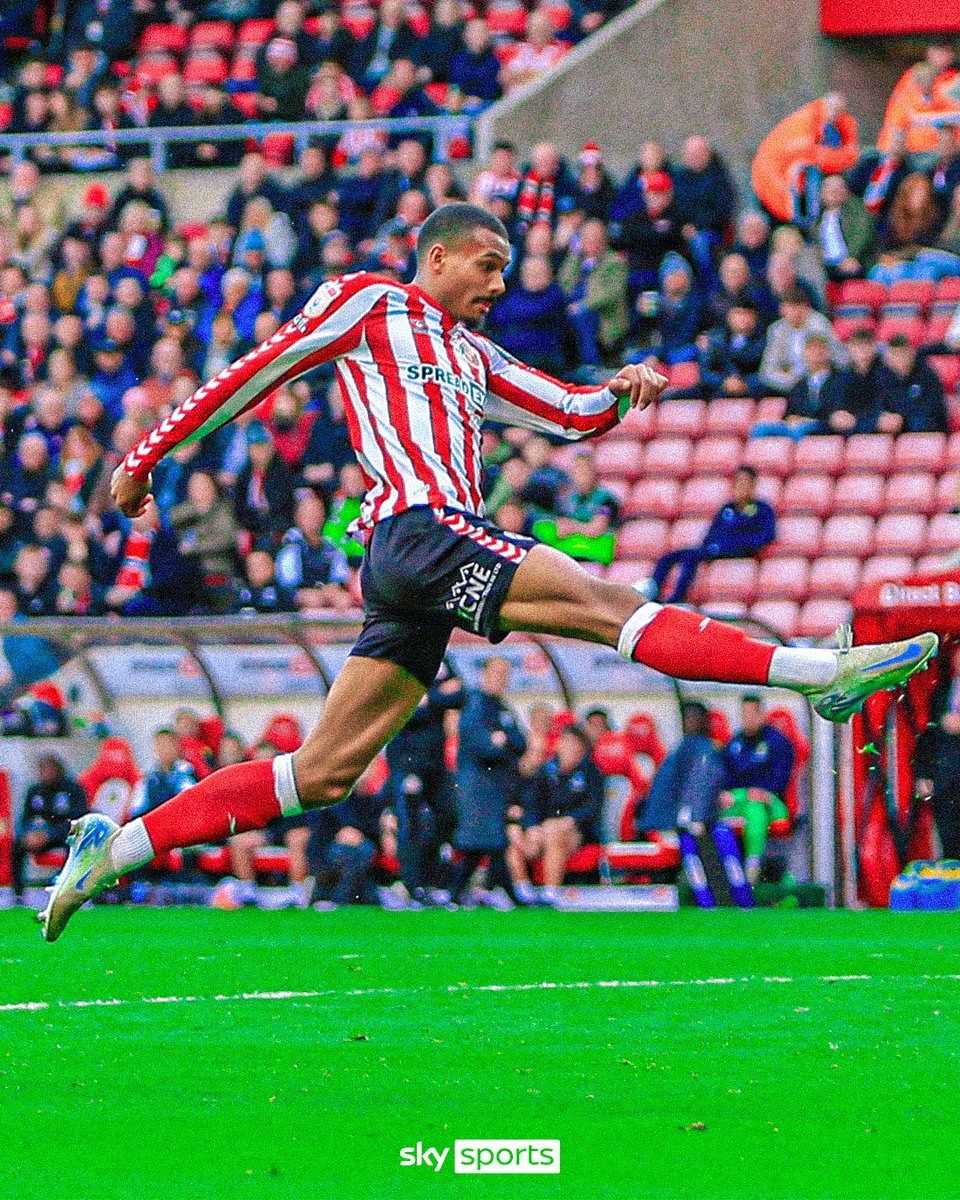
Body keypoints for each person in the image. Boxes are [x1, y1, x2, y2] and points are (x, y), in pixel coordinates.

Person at [42, 202, 938, 941]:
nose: (501, 286)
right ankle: (821, 672)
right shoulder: (366, 303)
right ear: (438, 257)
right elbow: (259, 369)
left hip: (419, 566)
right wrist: (148, 455)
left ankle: (110, 849)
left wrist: (619, 392)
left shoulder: (475, 355)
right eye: (489, 266)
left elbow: (568, 413)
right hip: (420, 532)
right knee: (606, 602)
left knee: (321, 773)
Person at [385, 660, 463, 906]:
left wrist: (427, 699)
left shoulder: (440, 657)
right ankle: (412, 885)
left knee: (448, 815)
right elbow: (397, 708)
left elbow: (460, 696)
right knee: (411, 822)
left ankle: (429, 877)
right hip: (408, 761)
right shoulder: (397, 658)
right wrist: (438, 697)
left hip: (435, 761)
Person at [450, 656, 526, 909]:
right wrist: (504, 744)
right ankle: (505, 895)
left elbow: (520, 741)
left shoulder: (501, 706)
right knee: (487, 842)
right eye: (497, 674)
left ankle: (457, 894)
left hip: (495, 787)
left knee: (485, 844)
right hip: (477, 787)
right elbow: (482, 746)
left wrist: (503, 740)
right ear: (484, 675)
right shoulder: (475, 703)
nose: (501, 680)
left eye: (505, 675)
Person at [640, 466, 776, 604]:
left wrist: (737, 546)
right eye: (738, 482)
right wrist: (712, 545)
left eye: (745, 482)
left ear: (753, 485)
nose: (741, 486)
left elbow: (766, 536)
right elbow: (712, 532)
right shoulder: (727, 508)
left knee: (691, 558)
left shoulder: (762, 510)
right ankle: (653, 592)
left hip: (738, 552)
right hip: (714, 549)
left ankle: (677, 598)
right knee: (669, 557)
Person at [508, 723, 604, 905]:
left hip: (576, 833)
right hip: (543, 829)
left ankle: (550, 892)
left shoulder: (591, 773)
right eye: (566, 742)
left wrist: (570, 820)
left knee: (555, 834)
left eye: (576, 744)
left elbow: (593, 808)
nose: (570, 748)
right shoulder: (546, 771)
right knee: (515, 840)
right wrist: (531, 827)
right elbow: (532, 804)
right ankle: (522, 892)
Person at [717, 695, 795, 884]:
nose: (748, 719)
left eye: (752, 714)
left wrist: (758, 793)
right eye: (744, 715)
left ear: (762, 715)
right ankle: (719, 873)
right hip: (737, 800)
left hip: (768, 802)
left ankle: (752, 867)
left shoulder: (777, 743)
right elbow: (723, 775)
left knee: (755, 810)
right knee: (712, 817)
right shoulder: (734, 743)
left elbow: (780, 781)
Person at [635, 701, 724, 836]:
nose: (689, 721)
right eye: (686, 717)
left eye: (694, 717)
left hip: (678, 826)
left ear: (704, 721)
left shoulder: (705, 749)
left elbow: (702, 783)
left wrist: (694, 816)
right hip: (660, 823)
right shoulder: (681, 747)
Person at [12, 755, 88, 902]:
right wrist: (28, 834)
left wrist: (50, 834)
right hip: (40, 835)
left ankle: (66, 888)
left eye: (50, 770)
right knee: (17, 845)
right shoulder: (35, 791)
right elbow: (25, 818)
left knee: (74, 844)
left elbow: (79, 819)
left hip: (65, 834)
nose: (46, 774)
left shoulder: (73, 789)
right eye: (43, 770)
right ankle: (18, 892)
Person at [876, 333, 949, 434]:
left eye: (903, 354)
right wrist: (882, 417)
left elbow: (932, 409)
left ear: (911, 353)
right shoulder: (882, 376)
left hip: (927, 430)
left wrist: (902, 420)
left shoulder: (927, 374)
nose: (899, 359)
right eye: (895, 355)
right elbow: (877, 404)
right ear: (887, 358)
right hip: (895, 431)